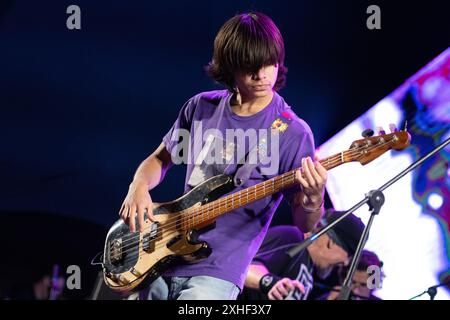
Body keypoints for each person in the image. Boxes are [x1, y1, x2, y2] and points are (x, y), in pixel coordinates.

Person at [119, 12, 327, 300]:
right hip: (161, 255)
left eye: (270, 63)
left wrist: (314, 198)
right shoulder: (200, 107)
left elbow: (305, 224)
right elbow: (160, 159)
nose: (262, 75)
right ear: (229, 67)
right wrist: (138, 186)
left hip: (218, 273)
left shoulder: (293, 132)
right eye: (250, 67)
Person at [240, 210, 365, 300]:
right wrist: (270, 283)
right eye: (349, 255)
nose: (346, 263)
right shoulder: (292, 238)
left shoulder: (310, 269)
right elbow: (245, 267)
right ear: (331, 243)